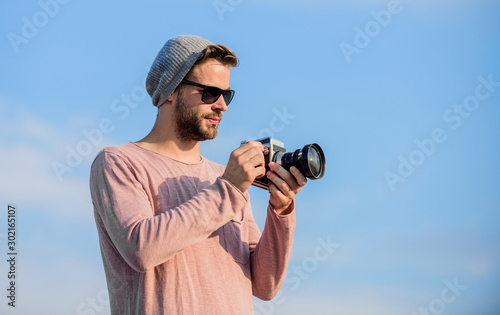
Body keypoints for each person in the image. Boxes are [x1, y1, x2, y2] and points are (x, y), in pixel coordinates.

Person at [89, 35, 307, 315]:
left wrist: (281, 210)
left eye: (226, 95)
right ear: (171, 90)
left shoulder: (224, 178)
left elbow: (265, 285)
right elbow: (141, 249)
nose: (222, 105)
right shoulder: (119, 162)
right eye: (209, 93)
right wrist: (228, 189)